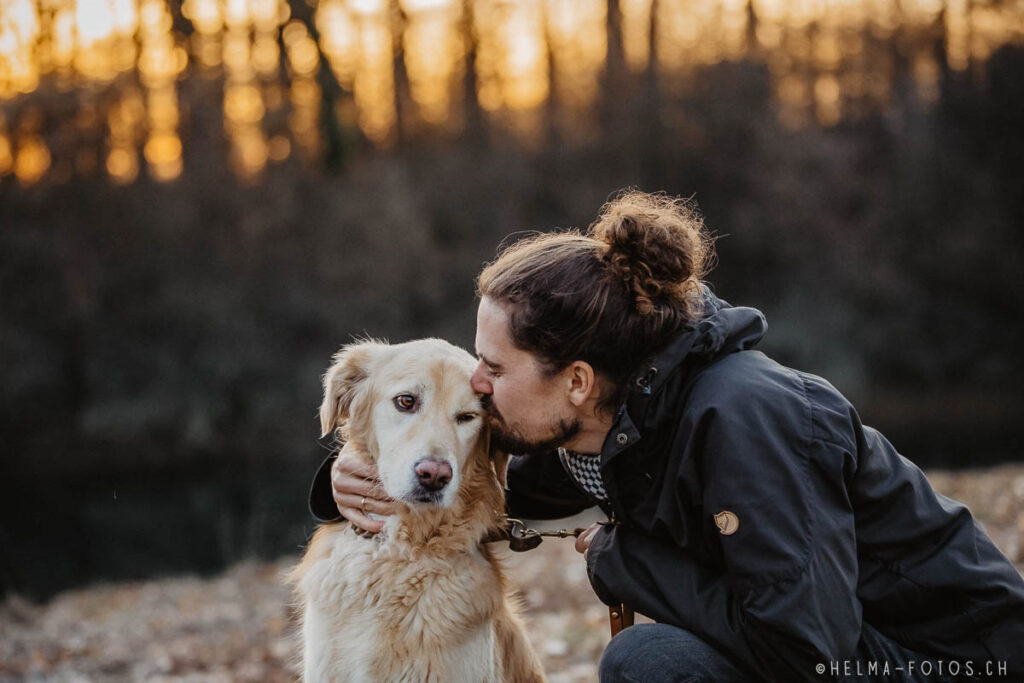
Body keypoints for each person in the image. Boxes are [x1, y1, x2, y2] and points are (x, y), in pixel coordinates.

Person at [307, 191, 1024, 682]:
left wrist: (626, 559)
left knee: (649, 662)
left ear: (577, 380)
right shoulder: (612, 425)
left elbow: (809, 654)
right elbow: (481, 496)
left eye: (493, 367)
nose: (480, 386)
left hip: (952, 659)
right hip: (846, 647)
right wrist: (346, 482)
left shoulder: (748, 418)